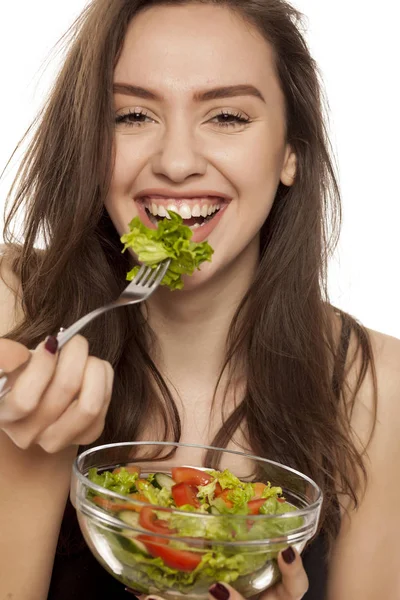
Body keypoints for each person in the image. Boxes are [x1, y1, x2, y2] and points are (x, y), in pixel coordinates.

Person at [0, 0, 399, 598]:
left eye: (228, 117)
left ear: (290, 152)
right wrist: (28, 458)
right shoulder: (12, 305)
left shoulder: (377, 388)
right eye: (132, 115)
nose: (177, 162)